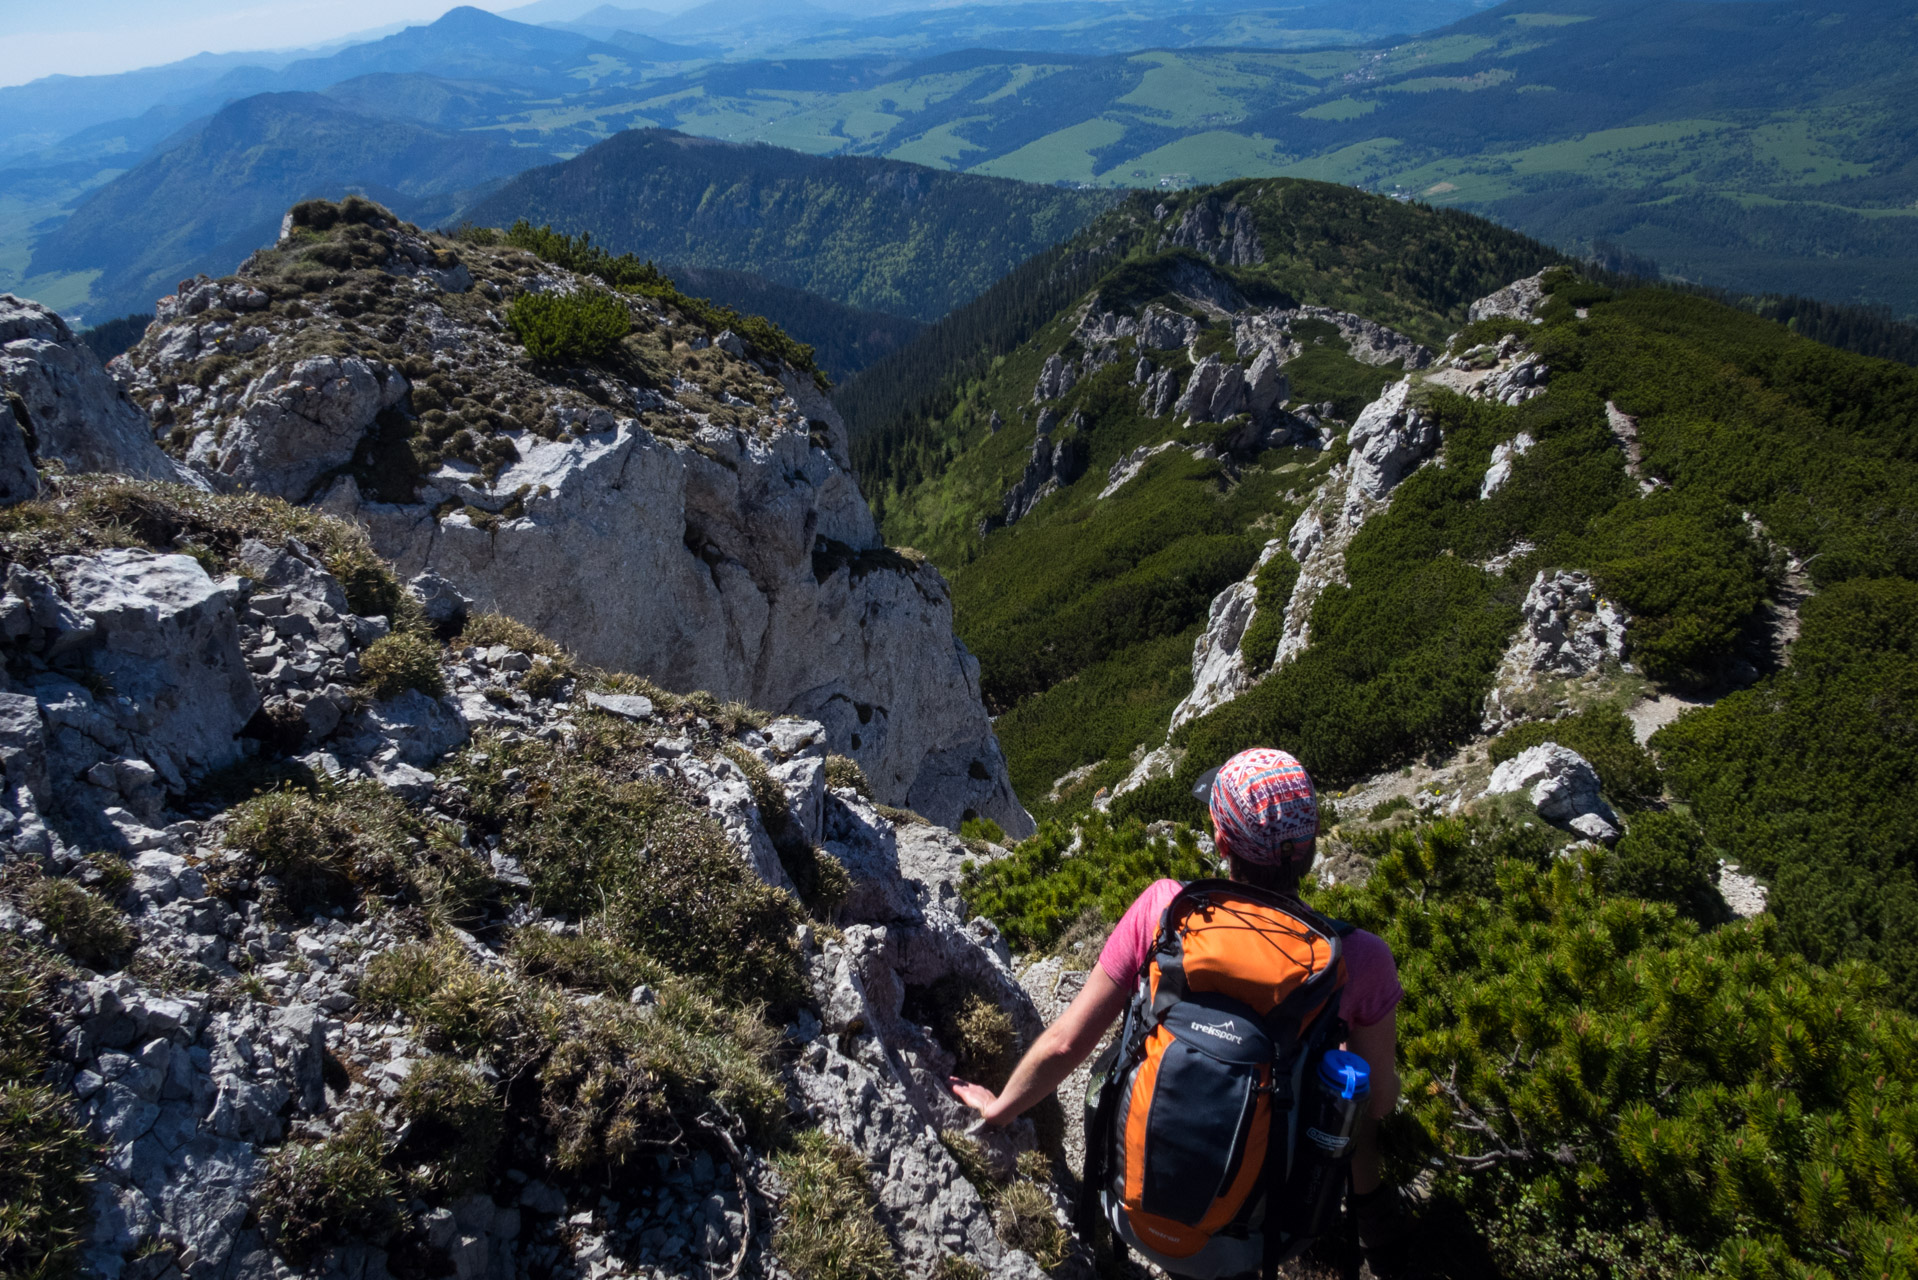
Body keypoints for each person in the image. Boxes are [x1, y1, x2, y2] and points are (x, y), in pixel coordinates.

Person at [949, 747, 1407, 1273]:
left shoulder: (1164, 909)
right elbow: (1380, 1104)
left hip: (1131, 1214)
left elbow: (1067, 1043)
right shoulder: (1358, 959)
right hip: (1260, 1236)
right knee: (1350, 1084)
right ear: (1309, 850)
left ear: (1221, 841)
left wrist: (999, 1108)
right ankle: (1375, 1221)